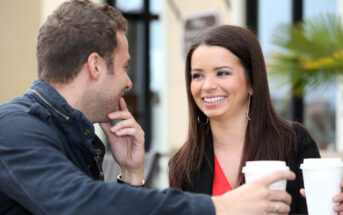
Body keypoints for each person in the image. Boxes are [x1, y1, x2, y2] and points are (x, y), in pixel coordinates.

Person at [0, 1, 296, 214]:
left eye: (223, 73)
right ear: (95, 65)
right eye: (125, 67)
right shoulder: (13, 128)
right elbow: (82, 203)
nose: (129, 83)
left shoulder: (70, 132)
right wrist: (221, 206)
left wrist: (131, 174)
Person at [169, 24, 343, 214]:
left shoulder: (293, 142)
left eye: (223, 73)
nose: (207, 85)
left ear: (252, 81)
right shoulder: (183, 165)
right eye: (198, 75)